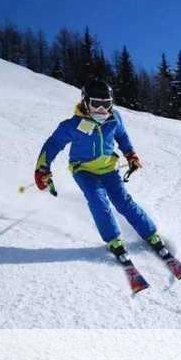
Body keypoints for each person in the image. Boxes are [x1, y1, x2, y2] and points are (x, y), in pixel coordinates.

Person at [34, 79, 168, 264]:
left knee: (123, 202)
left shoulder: (114, 118)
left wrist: (130, 154)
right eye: (96, 104)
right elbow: (53, 144)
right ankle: (114, 240)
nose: (102, 110)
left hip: (109, 168)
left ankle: (151, 234)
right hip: (84, 170)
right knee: (99, 202)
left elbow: (122, 135)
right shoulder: (72, 125)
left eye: (106, 104)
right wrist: (42, 168)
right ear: (85, 102)